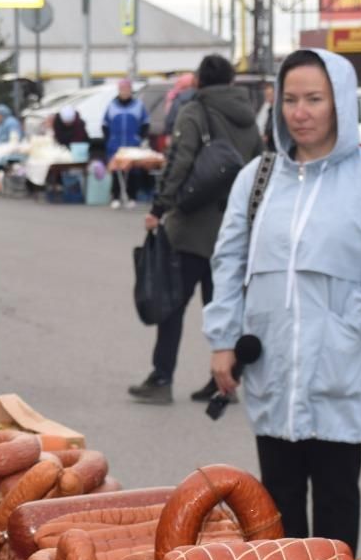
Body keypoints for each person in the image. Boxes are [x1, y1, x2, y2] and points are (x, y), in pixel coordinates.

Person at [204, 48, 361, 557]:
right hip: (273, 369)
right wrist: (222, 340)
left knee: (337, 503)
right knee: (275, 505)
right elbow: (228, 263)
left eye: (314, 99)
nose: (300, 112)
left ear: (339, 102)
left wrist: (349, 327)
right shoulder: (257, 178)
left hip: (339, 372)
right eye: (290, 99)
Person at [134, 54, 263, 405]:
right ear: (232, 81)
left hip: (191, 229)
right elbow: (261, 168)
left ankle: (161, 379)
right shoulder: (249, 117)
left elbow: (179, 162)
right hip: (233, 231)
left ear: (199, 81)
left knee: (173, 305)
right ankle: (222, 380)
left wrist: (159, 208)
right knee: (223, 304)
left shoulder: (195, 111)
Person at [103, 78, 148, 208]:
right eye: (122, 89)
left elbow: (145, 123)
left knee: (132, 171)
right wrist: (109, 139)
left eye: (126, 89)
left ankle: (132, 196)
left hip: (132, 142)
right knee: (117, 170)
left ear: (130, 90)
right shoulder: (112, 105)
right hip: (115, 143)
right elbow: (105, 124)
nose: (124, 92)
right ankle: (116, 196)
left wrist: (139, 137)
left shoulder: (138, 105)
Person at [256, 80, 276, 153]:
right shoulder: (266, 107)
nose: (267, 97)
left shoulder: (278, 110)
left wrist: (268, 135)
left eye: (269, 94)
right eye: (266, 94)